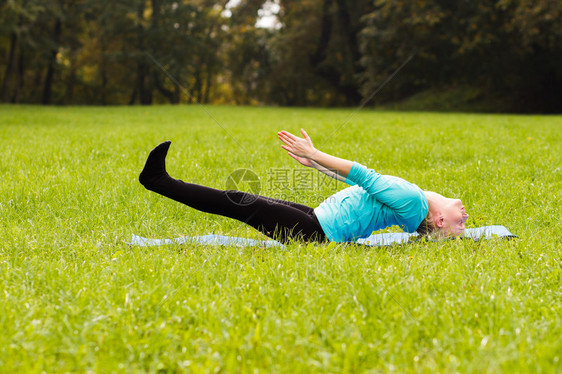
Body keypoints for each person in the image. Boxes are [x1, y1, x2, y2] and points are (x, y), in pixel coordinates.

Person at [139, 129, 468, 244]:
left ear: (439, 222)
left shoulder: (414, 201)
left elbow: (363, 174)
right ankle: (160, 181)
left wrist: (315, 153)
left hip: (316, 232)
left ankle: (159, 182)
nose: (464, 216)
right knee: (241, 201)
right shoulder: (413, 203)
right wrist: (316, 164)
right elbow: (363, 187)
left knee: (236, 201)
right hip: (317, 220)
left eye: (460, 223)